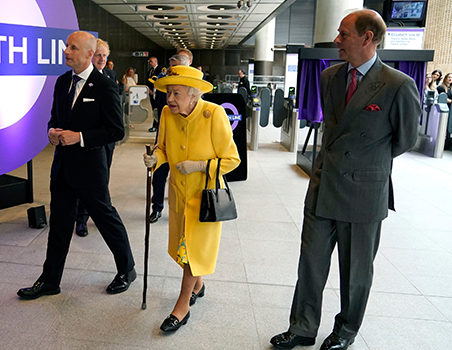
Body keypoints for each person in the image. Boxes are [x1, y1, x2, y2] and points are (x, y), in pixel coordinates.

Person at [270, 9, 420, 350]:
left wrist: (367, 166)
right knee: (310, 264)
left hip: (364, 193)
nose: (337, 40)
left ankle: (346, 330)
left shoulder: (398, 85)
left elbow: (405, 139)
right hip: (324, 186)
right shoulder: (330, 77)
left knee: (355, 273)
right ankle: (302, 327)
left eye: (344, 34)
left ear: (367, 38)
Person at [17, 31, 136, 300]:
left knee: (106, 220)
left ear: (89, 55)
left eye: (73, 47)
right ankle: (50, 280)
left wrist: (79, 137)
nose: (66, 51)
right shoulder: (61, 83)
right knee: (59, 224)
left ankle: (127, 270)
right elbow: (54, 118)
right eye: (66, 46)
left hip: (91, 170)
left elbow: (116, 130)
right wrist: (51, 132)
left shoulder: (104, 86)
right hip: (62, 167)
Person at [143, 65, 240, 332]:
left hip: (204, 198)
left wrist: (199, 165)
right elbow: (162, 147)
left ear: (194, 96)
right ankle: (198, 285)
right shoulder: (165, 113)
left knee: (192, 252)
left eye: (176, 93)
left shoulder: (214, 114)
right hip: (178, 194)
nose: (170, 99)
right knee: (183, 250)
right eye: (168, 93)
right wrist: (155, 159)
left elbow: (232, 160)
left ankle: (182, 305)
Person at [74, 38, 117, 237]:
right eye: (98, 55)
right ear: (91, 55)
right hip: (86, 143)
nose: (101, 59)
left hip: (106, 143)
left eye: (104, 56)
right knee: (86, 182)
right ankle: (81, 219)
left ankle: (99, 217)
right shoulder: (82, 79)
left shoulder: (110, 76)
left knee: (102, 182)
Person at [149, 51, 192, 224]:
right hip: (166, 136)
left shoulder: (195, 87)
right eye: (172, 68)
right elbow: (160, 107)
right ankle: (156, 207)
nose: (172, 72)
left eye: (176, 68)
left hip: (188, 139)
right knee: (159, 174)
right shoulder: (164, 85)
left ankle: (186, 210)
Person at [147, 57, 163, 132]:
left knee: (157, 109)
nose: (150, 63)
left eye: (151, 61)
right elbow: (147, 81)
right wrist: (149, 89)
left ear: (156, 61)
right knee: (153, 109)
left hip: (157, 91)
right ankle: (154, 124)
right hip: (151, 92)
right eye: (149, 62)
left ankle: (156, 125)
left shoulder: (160, 70)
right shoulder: (150, 71)